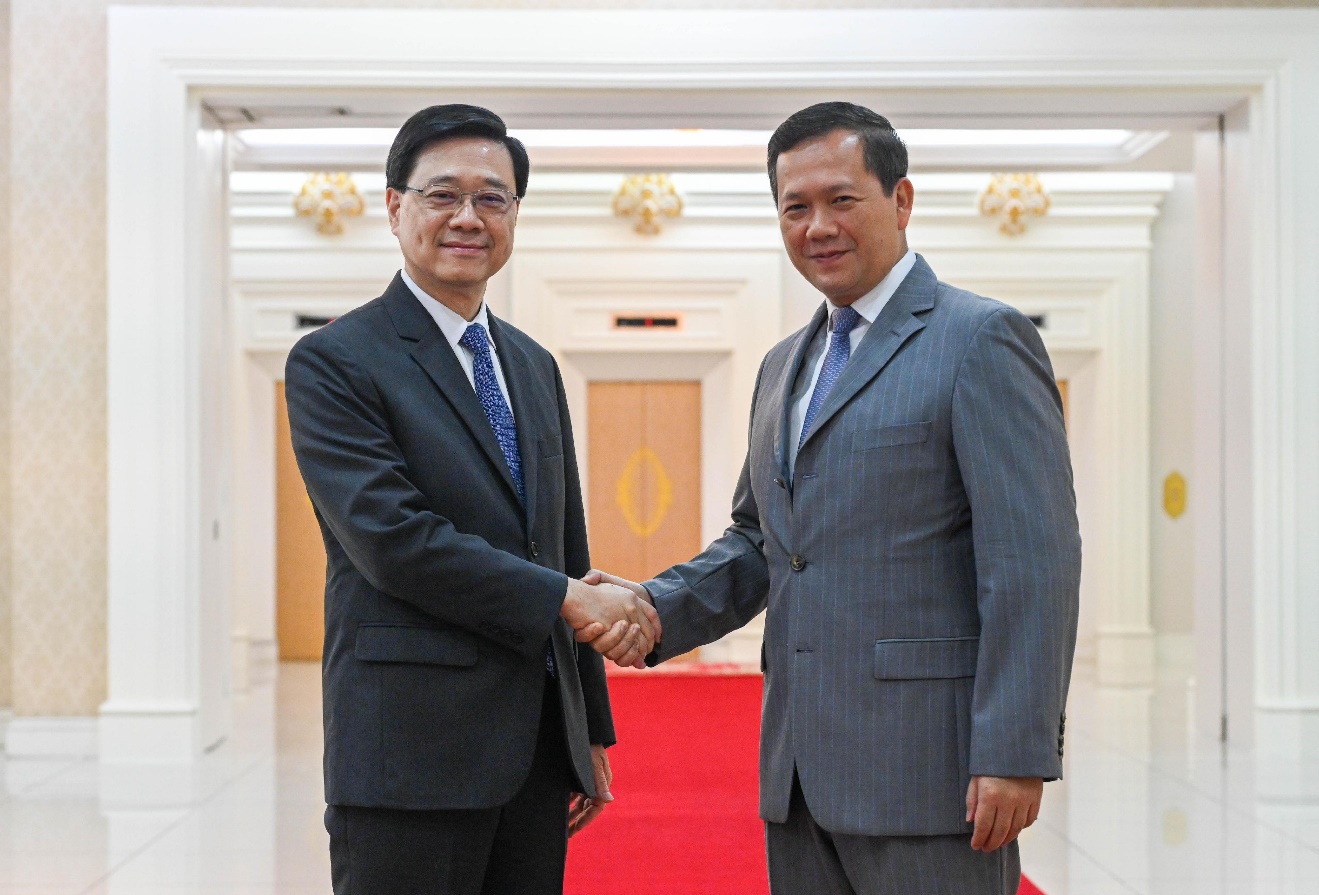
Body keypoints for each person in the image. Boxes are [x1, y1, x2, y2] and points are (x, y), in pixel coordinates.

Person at [586, 102, 1081, 894]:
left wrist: (1015, 751)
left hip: (932, 774)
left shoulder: (978, 339)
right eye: (795, 206)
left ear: (901, 200)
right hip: (797, 770)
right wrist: (651, 604)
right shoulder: (784, 365)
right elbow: (761, 541)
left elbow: (1031, 561)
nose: (817, 225)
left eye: (840, 199)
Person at [284, 103, 659, 895]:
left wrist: (584, 725)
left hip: (532, 751)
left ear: (515, 214)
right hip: (407, 750)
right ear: (395, 208)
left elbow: (563, 543)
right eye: (441, 195)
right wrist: (562, 597)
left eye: (493, 198)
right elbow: (393, 539)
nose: (468, 217)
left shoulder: (530, 363)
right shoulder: (335, 361)